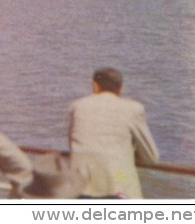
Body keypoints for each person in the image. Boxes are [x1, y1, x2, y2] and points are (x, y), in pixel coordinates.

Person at [68, 67, 159, 199]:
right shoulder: (133, 109)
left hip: (80, 188)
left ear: (95, 86)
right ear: (121, 88)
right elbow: (151, 157)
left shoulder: (77, 106)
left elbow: (73, 143)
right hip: (117, 189)